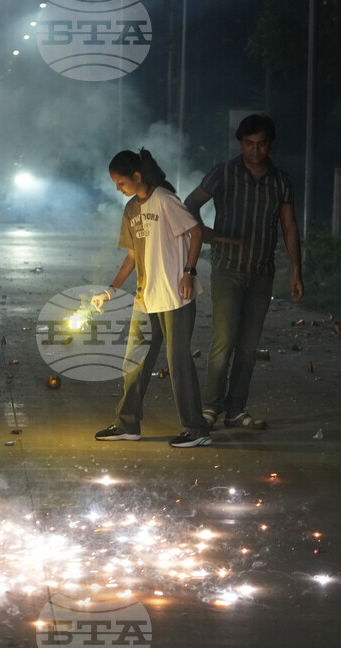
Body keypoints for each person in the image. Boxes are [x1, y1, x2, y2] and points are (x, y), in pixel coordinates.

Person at [183, 114, 304, 430]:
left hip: (261, 273)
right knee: (223, 342)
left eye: (261, 144)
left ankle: (236, 410)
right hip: (227, 270)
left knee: (248, 348)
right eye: (249, 144)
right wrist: (204, 232)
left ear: (270, 144)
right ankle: (210, 407)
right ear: (240, 143)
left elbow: (289, 227)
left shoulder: (281, 181)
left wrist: (296, 271)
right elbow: (189, 204)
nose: (255, 150)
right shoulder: (223, 173)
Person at [90, 149, 212, 449]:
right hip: (146, 296)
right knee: (135, 360)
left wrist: (189, 272)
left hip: (175, 295)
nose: (118, 188)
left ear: (137, 176)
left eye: (120, 182)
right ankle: (127, 424)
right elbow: (132, 255)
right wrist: (111, 289)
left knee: (178, 362)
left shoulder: (165, 200)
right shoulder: (131, 209)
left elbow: (196, 233)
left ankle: (196, 429)